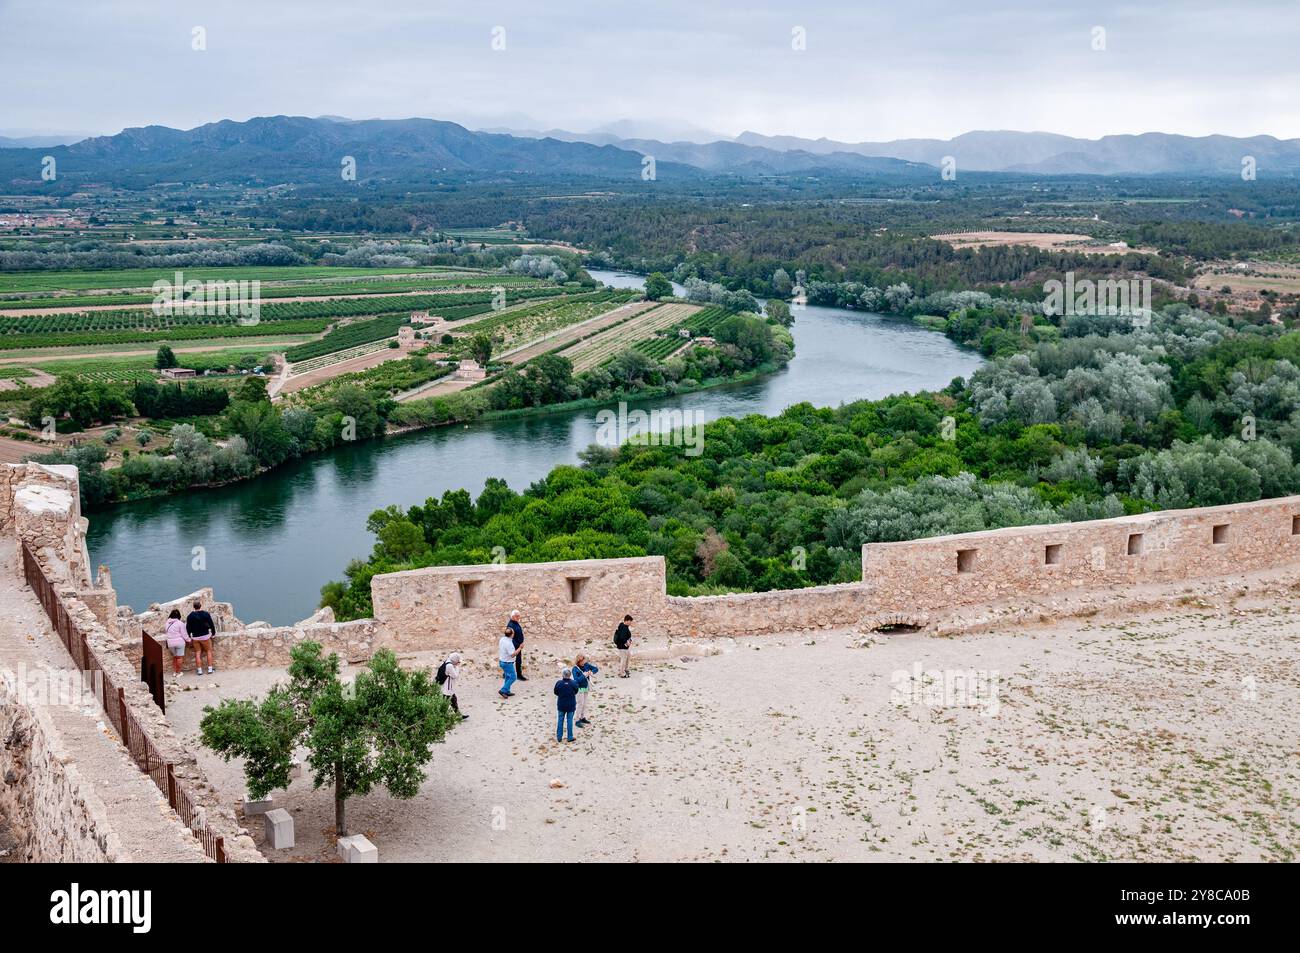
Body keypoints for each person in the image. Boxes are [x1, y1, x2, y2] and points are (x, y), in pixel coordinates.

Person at [185, 599, 216, 675]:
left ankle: (199, 670)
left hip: (195, 637)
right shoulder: (205, 614)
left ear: (193, 607)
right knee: (209, 651)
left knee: (197, 653)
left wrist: (189, 635)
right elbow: (211, 624)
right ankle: (210, 669)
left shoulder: (190, 616)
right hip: (205, 636)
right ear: (200, 606)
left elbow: (188, 627)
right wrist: (213, 633)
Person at [572, 654, 599, 727]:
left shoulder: (586, 665)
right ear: (579, 661)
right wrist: (584, 675)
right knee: (580, 704)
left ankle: (582, 717)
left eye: (584, 661)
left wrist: (591, 672)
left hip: (586, 687)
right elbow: (576, 680)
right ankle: (577, 720)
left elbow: (596, 668)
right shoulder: (575, 669)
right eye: (582, 661)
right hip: (579, 689)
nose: (584, 663)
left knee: (585, 704)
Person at [554, 668, 578, 743]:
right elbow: (576, 691)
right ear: (570, 675)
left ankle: (559, 737)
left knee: (560, 720)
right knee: (569, 720)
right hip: (571, 705)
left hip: (561, 705)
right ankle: (570, 737)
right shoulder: (573, 683)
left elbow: (555, 692)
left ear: (562, 675)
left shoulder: (559, 683)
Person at [164, 609, 188, 681]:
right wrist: (189, 640)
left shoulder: (167, 623)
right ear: (179, 616)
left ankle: (175, 672)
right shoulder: (180, 623)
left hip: (170, 643)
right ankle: (179, 672)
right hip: (179, 643)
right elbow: (184, 634)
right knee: (179, 658)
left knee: (175, 657)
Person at [441, 652, 466, 719]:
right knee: (447, 701)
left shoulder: (447, 661)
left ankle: (458, 715)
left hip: (448, 686)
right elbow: (455, 676)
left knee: (453, 699)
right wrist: (457, 667)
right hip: (448, 687)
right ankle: (442, 716)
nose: (458, 662)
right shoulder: (449, 666)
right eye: (458, 661)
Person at [498, 627, 519, 699]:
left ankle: (507, 691)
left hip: (502, 661)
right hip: (507, 663)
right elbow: (512, 654)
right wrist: (520, 648)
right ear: (512, 634)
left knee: (508, 676)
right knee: (513, 677)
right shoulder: (509, 643)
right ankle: (503, 690)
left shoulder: (502, 639)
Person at [507, 610, 526, 681]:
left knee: (516, 660)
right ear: (513, 616)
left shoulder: (515, 623)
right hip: (514, 646)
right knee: (515, 660)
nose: (519, 617)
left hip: (518, 645)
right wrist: (519, 645)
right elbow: (509, 638)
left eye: (519, 616)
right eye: (517, 616)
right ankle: (519, 675)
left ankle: (513, 674)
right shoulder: (510, 625)